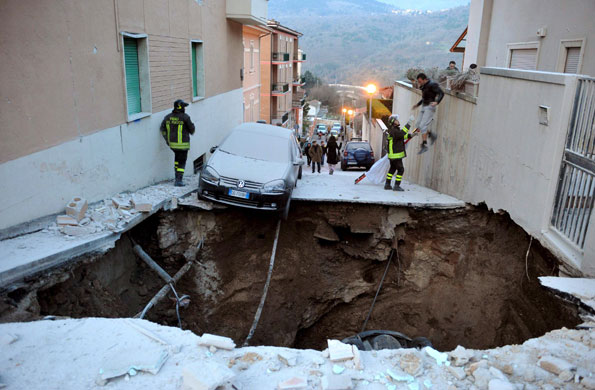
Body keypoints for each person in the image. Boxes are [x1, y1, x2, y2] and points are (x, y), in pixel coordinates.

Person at [160, 99, 195, 186]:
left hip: (172, 145)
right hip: (183, 145)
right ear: (181, 108)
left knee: (177, 160)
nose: (185, 109)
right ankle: (178, 181)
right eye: (184, 107)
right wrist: (192, 126)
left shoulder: (167, 117)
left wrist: (167, 139)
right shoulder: (185, 117)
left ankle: (177, 177)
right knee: (182, 162)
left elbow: (162, 129)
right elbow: (192, 130)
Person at [412, 73, 444, 154]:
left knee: (423, 126)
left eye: (420, 81)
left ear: (424, 79)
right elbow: (423, 98)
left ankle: (424, 145)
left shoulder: (432, 85)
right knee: (418, 125)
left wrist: (437, 102)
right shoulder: (424, 86)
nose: (419, 83)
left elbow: (441, 93)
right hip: (424, 106)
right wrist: (417, 105)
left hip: (430, 107)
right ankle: (431, 135)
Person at [383, 114, 415, 191]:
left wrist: (411, 135)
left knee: (392, 169)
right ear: (394, 122)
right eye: (396, 120)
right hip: (395, 155)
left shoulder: (394, 131)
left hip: (392, 155)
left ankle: (387, 184)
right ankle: (396, 186)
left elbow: (402, 137)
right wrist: (409, 123)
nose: (398, 121)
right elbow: (402, 133)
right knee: (401, 169)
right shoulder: (394, 131)